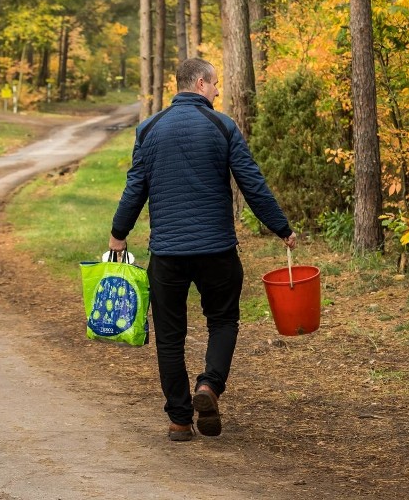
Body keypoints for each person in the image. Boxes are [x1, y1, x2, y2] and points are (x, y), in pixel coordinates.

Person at [109, 58, 296, 441]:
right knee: (224, 320)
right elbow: (252, 183)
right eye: (214, 84)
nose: (216, 91)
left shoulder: (149, 129)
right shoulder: (222, 126)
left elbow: (135, 189)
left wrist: (118, 234)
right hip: (217, 252)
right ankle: (209, 386)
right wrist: (281, 228)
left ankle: (179, 420)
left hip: (168, 254)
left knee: (169, 336)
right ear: (199, 83)